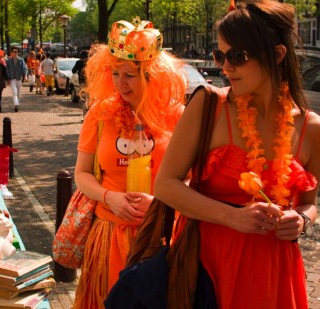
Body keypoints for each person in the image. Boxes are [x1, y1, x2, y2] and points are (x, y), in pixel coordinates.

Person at [154, 1, 319, 308]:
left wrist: (301, 220)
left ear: (278, 54)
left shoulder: (311, 127)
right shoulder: (208, 106)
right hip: (209, 269)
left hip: (275, 275)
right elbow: (164, 185)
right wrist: (233, 217)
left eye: (237, 56)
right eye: (220, 55)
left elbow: (309, 204)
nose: (225, 66)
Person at [72, 18, 186, 308]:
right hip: (109, 234)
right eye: (114, 73)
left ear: (152, 75)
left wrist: (162, 203)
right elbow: (82, 174)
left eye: (130, 75)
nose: (120, 84)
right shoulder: (99, 113)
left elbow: (193, 179)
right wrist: (110, 197)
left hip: (161, 237)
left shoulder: (178, 115)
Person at [5, 48, 27, 112]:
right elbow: (7, 70)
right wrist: (8, 78)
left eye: (17, 51)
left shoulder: (21, 60)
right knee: (14, 92)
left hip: (19, 78)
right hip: (12, 79)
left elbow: (24, 68)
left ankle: (17, 104)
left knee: (18, 93)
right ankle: (16, 105)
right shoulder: (8, 60)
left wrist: (25, 76)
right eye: (14, 51)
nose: (15, 53)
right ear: (12, 52)